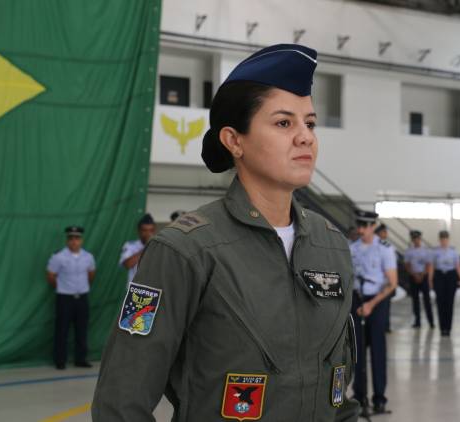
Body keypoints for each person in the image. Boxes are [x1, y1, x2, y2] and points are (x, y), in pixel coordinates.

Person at [92, 44, 359, 421]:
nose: (306, 137)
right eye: (284, 123)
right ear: (234, 140)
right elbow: (121, 402)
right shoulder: (185, 251)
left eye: (310, 123)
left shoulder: (331, 246)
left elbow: (339, 392)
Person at [349, 210, 398, 414]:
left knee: (377, 351)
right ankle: (359, 396)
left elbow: (392, 283)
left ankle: (379, 398)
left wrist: (371, 304)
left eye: (364, 226)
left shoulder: (384, 248)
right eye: (358, 225)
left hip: (377, 301)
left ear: (373, 226)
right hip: (357, 300)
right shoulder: (352, 248)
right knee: (357, 351)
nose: (360, 230)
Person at [46, 226, 96, 370]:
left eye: (77, 238)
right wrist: (62, 287)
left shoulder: (88, 256)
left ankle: (80, 359)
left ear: (81, 240)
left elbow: (91, 274)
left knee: (82, 329)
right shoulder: (58, 256)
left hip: (82, 297)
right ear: (67, 240)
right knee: (62, 330)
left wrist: (81, 287)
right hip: (64, 298)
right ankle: (60, 360)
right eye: (71, 238)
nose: (74, 241)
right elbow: (51, 275)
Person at [428, 231, 460, 337]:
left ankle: (448, 328)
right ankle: (442, 328)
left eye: (446, 239)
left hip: (450, 277)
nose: (444, 241)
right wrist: (430, 280)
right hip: (439, 276)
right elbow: (431, 266)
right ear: (439, 240)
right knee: (440, 302)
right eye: (442, 239)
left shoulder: (453, 251)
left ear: (448, 240)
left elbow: (458, 265)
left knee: (449, 302)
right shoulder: (435, 252)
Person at [405, 230, 434, 329]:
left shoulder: (426, 250)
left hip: (423, 277)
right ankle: (417, 321)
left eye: (417, 238)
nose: (416, 240)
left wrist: (423, 275)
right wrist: (414, 275)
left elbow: (428, 265)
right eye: (414, 239)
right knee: (415, 301)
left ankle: (431, 321)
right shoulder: (409, 251)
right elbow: (407, 265)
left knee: (427, 301)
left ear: (420, 239)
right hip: (413, 277)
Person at [119, 213, 156, 285]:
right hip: (135, 288)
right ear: (139, 231)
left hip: (154, 288)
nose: (148, 233)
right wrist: (146, 248)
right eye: (145, 230)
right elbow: (127, 264)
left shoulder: (159, 246)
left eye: (151, 230)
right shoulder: (130, 245)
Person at [375, 223, 394, 333]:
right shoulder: (371, 246)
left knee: (386, 306)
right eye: (383, 232)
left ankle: (386, 326)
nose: (386, 234)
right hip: (376, 282)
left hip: (385, 282)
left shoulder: (388, 247)